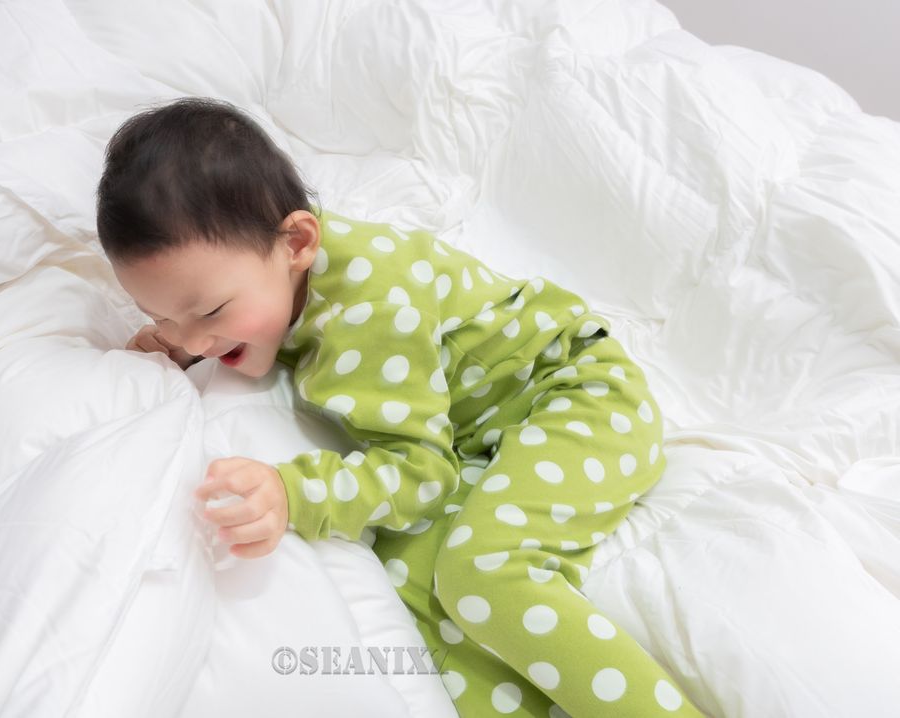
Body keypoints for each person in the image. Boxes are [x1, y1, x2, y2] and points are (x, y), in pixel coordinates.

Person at [97, 97, 703, 718]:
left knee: (485, 572)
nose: (194, 339)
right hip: (477, 437)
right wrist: (186, 338)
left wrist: (294, 493)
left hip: (576, 396)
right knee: (413, 589)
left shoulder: (372, 314)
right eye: (163, 314)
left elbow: (421, 473)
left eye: (210, 311)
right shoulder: (263, 279)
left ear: (297, 241)